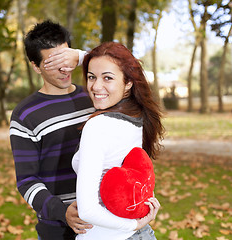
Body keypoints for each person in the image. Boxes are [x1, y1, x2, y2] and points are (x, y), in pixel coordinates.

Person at [9, 20, 95, 240]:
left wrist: (86, 58)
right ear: (35, 66)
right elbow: (27, 181)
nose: (64, 68)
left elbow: (131, 75)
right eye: (52, 62)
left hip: (104, 219)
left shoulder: (95, 96)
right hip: (57, 229)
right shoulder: (25, 114)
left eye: (66, 58)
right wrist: (62, 212)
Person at [71, 42, 164, 240]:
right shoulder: (137, 117)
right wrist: (81, 57)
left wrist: (132, 223)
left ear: (128, 82)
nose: (96, 86)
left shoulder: (98, 126)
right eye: (91, 77)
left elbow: (87, 211)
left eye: (108, 78)